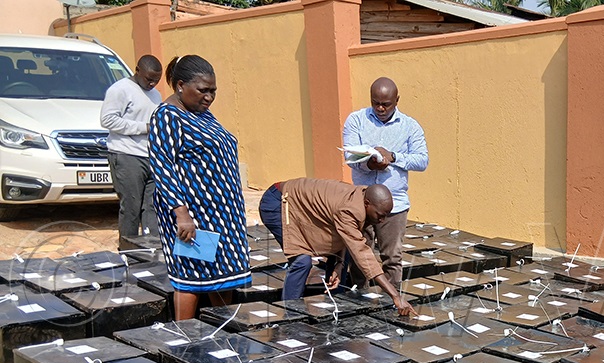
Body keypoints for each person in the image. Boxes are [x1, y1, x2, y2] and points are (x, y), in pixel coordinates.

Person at [148, 55, 250, 321]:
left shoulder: (202, 113)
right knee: (192, 277)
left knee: (222, 277)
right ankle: (185, 338)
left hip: (222, 214)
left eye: (213, 91)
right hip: (196, 215)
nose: (209, 97)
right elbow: (162, 166)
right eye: (203, 90)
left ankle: (221, 331)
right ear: (181, 85)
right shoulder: (168, 116)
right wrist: (182, 214)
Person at [258, 178, 415, 315]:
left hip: (299, 206)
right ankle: (290, 314)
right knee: (301, 261)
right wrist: (395, 296)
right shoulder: (350, 209)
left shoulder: (361, 199)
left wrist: (339, 265)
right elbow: (363, 254)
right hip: (279, 202)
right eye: (380, 215)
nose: (382, 220)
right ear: (367, 204)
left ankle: (333, 308)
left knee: (342, 256)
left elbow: (344, 235)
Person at [342, 77, 428, 290]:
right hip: (362, 203)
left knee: (392, 258)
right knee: (360, 256)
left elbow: (422, 160)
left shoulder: (410, 126)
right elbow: (350, 157)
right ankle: (360, 301)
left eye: (386, 104)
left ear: (397, 100)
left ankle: (389, 305)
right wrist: (370, 164)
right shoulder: (356, 120)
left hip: (395, 204)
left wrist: (394, 157)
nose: (380, 108)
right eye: (375, 103)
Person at [100, 55, 162, 242]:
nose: (152, 83)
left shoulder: (156, 94)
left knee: (152, 207)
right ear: (137, 70)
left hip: (150, 156)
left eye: (156, 80)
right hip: (126, 155)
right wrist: (144, 127)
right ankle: (129, 252)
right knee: (131, 208)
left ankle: (152, 251)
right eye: (149, 79)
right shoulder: (120, 90)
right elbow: (107, 120)